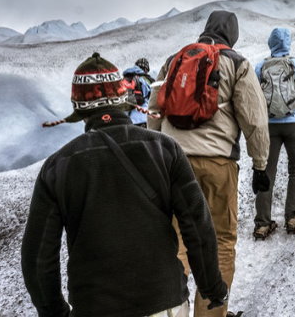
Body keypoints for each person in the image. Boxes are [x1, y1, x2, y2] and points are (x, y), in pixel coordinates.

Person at [24, 52, 227, 317]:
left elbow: (38, 257)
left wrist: (54, 312)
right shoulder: (164, 149)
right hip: (164, 300)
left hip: (95, 307)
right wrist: (211, 286)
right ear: (123, 99)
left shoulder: (58, 167)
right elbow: (197, 225)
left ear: (79, 108)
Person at [148, 10, 270, 317]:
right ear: (233, 35)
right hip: (219, 164)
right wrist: (260, 165)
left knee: (176, 241)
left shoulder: (175, 59)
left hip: (174, 164)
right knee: (220, 241)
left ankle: (172, 310)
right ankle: (211, 313)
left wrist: (159, 153)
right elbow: (254, 120)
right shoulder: (237, 63)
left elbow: (154, 109)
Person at [253, 28, 295, 239]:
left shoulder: (260, 66)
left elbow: (253, 98)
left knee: (266, 172)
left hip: (269, 125)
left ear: (271, 43)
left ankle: (262, 223)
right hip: (294, 123)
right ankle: (293, 216)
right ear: (288, 44)